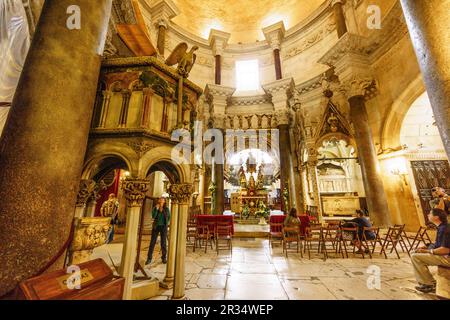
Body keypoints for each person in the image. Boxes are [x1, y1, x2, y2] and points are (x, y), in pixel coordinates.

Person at [410, 208, 450, 293]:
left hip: (447, 258)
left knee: (415, 257)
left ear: (436, 217)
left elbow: (445, 249)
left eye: (430, 214)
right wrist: (427, 246)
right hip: (444, 255)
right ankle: (427, 282)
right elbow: (438, 244)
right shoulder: (442, 227)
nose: (428, 215)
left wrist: (428, 251)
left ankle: (429, 284)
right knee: (414, 253)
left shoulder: (445, 229)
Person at [146, 197, 170, 265]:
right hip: (156, 226)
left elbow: (168, 217)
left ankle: (164, 257)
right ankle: (149, 258)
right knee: (152, 242)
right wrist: (156, 209)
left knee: (163, 243)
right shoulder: (155, 208)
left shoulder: (166, 209)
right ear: (159, 201)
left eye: (163, 199)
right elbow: (153, 216)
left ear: (165, 201)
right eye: (160, 199)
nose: (161, 200)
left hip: (163, 227)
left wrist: (166, 223)